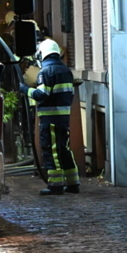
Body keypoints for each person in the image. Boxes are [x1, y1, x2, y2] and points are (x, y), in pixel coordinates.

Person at [21, 39, 81, 195]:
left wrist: (25, 89)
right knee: (64, 149)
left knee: (51, 150)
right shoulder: (65, 71)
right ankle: (73, 183)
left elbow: (41, 94)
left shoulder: (46, 72)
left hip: (50, 119)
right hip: (63, 118)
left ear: (43, 54)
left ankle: (55, 185)